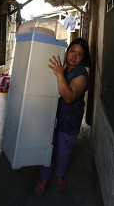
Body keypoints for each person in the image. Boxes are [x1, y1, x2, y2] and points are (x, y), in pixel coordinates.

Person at [34, 38, 91, 196]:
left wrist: (59, 74)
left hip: (68, 121)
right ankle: (44, 178)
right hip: (52, 117)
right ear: (68, 50)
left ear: (83, 58)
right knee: (47, 149)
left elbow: (69, 97)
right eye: (72, 51)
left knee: (63, 151)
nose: (74, 56)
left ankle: (59, 177)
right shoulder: (63, 66)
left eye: (79, 54)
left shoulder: (81, 75)